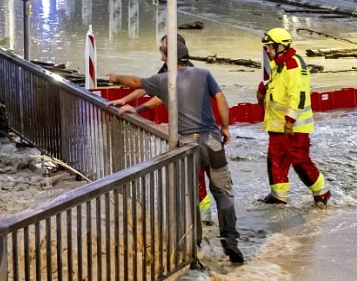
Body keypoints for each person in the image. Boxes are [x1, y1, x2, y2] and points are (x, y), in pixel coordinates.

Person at [108, 35, 243, 264]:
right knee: (224, 194)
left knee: (187, 196)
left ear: (170, 58)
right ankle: (230, 242)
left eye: (163, 54)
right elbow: (221, 99)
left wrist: (114, 78)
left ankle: (194, 245)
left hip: (186, 146)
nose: (161, 57)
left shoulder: (165, 80)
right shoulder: (204, 74)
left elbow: (135, 82)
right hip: (212, 141)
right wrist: (225, 127)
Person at [106, 39, 214, 226]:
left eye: (164, 50)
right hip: (198, 133)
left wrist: (135, 105)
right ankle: (195, 220)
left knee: (197, 177)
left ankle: (202, 220)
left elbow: (155, 94)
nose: (160, 55)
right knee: (197, 178)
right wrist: (126, 101)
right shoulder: (172, 71)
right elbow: (146, 86)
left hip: (193, 133)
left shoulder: (184, 74)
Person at [258, 27, 331, 206]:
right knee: (275, 160)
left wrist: (290, 120)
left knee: (300, 162)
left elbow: (299, 95)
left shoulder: (293, 65)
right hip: (277, 127)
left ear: (280, 46)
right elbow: (279, 88)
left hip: (294, 128)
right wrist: (264, 89)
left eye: (269, 47)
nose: (266, 51)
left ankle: (322, 193)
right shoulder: (279, 64)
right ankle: (278, 196)